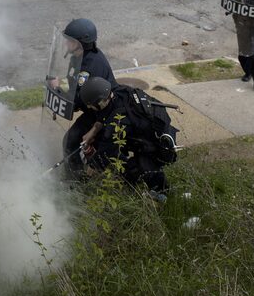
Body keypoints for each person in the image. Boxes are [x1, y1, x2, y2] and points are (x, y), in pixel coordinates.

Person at [77, 77, 179, 199]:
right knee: (105, 143)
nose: (89, 108)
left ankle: (161, 194)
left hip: (159, 147)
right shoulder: (120, 92)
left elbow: (106, 152)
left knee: (133, 172)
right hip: (147, 131)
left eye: (90, 105)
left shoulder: (118, 122)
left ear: (100, 102)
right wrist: (93, 131)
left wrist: (92, 167)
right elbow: (104, 116)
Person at [52, 19, 118, 177]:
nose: (67, 43)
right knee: (73, 139)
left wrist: (57, 90)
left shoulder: (90, 67)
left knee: (71, 141)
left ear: (81, 43)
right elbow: (75, 87)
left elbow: (78, 100)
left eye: (70, 40)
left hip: (105, 112)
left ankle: (74, 181)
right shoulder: (78, 57)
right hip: (94, 107)